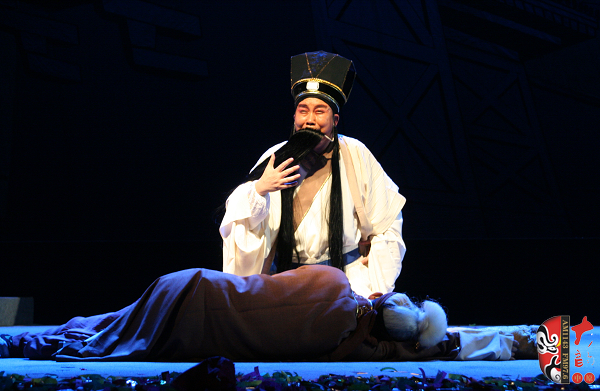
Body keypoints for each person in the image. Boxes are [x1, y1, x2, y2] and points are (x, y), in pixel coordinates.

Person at [0, 265, 531, 362]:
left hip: (193, 286)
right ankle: (15, 342)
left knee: (101, 328)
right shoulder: (345, 345)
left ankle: (14, 340)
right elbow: (390, 346)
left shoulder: (334, 280)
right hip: (197, 320)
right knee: (103, 337)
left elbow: (278, 279)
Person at [220, 51, 406, 298]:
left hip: (348, 281)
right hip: (286, 280)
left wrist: (378, 286)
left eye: (319, 111)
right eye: (303, 111)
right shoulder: (275, 156)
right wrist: (260, 189)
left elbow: (388, 223)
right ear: (294, 116)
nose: (310, 120)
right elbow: (239, 217)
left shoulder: (356, 153)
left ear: (335, 119)